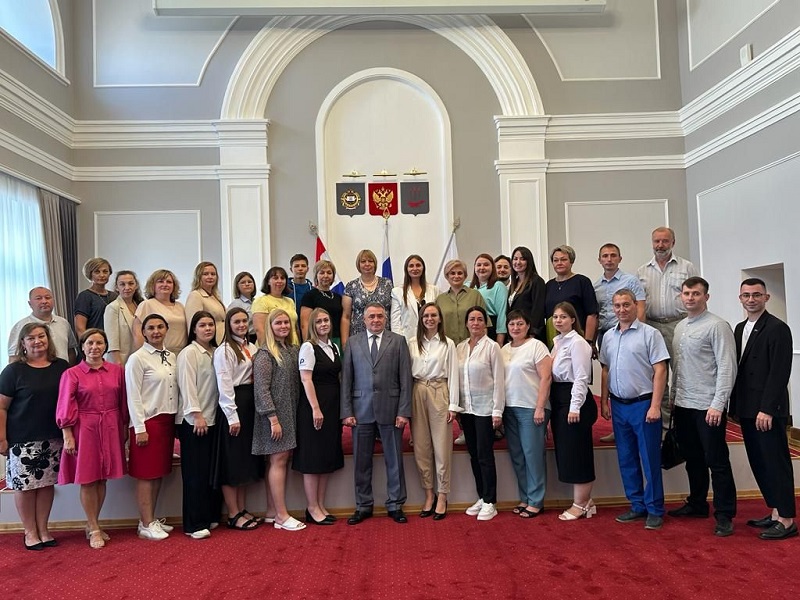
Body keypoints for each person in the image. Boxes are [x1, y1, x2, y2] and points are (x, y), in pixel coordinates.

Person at [667, 277, 737, 537]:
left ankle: (725, 514)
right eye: (686, 293)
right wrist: (673, 396)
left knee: (716, 461)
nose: (690, 298)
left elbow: (727, 367)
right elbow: (678, 367)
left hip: (708, 406)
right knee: (693, 459)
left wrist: (718, 404)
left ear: (706, 297)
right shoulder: (680, 327)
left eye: (696, 293)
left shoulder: (717, 326)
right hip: (683, 404)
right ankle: (697, 503)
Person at [730, 278, 796, 540]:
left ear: (766, 298)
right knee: (759, 462)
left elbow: (779, 373)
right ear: (740, 298)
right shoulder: (740, 328)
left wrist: (767, 409)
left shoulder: (778, 328)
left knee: (775, 462)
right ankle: (776, 512)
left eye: (756, 295)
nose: (751, 299)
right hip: (747, 408)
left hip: (767, 410)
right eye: (746, 295)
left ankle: (787, 519)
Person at [599, 290, 669, 531]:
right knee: (626, 458)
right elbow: (605, 369)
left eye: (626, 305)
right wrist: (604, 401)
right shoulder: (608, 336)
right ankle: (637, 505)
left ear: (635, 306)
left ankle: (655, 509)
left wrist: (656, 406)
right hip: (619, 405)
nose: (622, 309)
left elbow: (660, 370)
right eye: (617, 305)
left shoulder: (650, 334)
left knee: (650, 459)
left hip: (644, 404)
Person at [341, 303, 412, 525]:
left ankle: (395, 504)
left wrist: (403, 411)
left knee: (394, 460)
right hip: (360, 411)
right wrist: (347, 411)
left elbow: (406, 379)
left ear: (386, 318)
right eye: (371, 316)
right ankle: (363, 505)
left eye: (380, 316)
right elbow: (347, 379)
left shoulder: (398, 341)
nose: (375, 320)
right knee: (361, 462)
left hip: (391, 410)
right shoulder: (353, 342)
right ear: (363, 320)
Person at [0, 324, 69, 550]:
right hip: (22, 440)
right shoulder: (13, 371)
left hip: (53, 437)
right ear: (23, 343)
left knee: (46, 485)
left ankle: (43, 529)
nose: (37, 341)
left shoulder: (62, 367)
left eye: (41, 336)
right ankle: (30, 532)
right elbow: (1, 407)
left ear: (48, 339)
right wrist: (2, 438)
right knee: (26, 488)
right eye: (31, 338)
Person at [57, 328, 128, 549]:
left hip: (111, 425)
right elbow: (65, 405)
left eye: (99, 343)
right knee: (88, 478)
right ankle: (94, 527)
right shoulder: (72, 374)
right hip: (85, 428)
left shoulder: (117, 371)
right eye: (90, 343)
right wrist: (68, 435)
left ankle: (92, 523)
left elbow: (123, 401)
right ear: (82, 346)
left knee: (102, 477)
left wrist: (124, 428)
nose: (95, 347)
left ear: (105, 346)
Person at [637, 227, 699, 424]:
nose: (660, 245)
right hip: (652, 326)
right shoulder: (642, 271)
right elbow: (639, 303)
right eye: (657, 241)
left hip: (679, 325)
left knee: (683, 374)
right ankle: (663, 426)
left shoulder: (687, 267)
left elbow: (697, 296)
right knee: (657, 377)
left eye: (665, 241)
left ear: (673, 242)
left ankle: (682, 425)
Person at [125, 314, 179, 541]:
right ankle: (146, 523)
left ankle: (150, 520)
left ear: (166, 329)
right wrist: (140, 428)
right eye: (150, 328)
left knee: (158, 473)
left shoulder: (171, 356)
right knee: (146, 475)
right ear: (144, 332)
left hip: (167, 421)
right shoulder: (137, 359)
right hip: (148, 422)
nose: (156, 331)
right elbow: (133, 396)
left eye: (160, 327)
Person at [212, 307, 265, 531]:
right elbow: (224, 386)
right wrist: (232, 417)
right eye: (237, 322)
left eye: (244, 321)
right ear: (228, 325)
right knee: (232, 462)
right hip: (234, 406)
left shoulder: (251, 347)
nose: (242, 325)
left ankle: (242, 509)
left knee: (243, 461)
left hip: (249, 404)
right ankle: (233, 513)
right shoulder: (225, 350)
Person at [253, 309, 305, 531]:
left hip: (289, 411)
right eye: (278, 323)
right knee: (279, 460)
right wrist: (273, 418)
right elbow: (261, 390)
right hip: (274, 415)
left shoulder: (292, 350)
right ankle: (282, 516)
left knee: (276, 460)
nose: (283, 326)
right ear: (270, 327)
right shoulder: (265, 354)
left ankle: (271, 511)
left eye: (286, 322)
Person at [293, 308, 344, 525]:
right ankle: (312, 507)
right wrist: (315, 408)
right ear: (312, 325)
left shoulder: (333, 346)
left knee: (326, 457)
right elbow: (306, 379)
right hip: (314, 408)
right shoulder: (308, 347)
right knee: (313, 458)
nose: (323, 324)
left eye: (326, 320)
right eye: (319, 321)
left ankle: (321, 505)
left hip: (332, 408)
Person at [408, 303, 459, 521]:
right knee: (421, 447)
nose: (429, 319)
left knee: (441, 447)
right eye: (425, 315)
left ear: (439, 319)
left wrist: (453, 405)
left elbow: (454, 374)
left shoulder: (448, 343)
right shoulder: (412, 343)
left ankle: (443, 495)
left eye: (433, 315)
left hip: (440, 390)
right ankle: (429, 493)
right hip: (418, 390)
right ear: (421, 319)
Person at [593, 243, 646, 443]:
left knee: (629, 379)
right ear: (599, 260)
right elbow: (596, 315)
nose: (609, 259)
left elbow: (640, 308)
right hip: (606, 336)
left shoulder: (630, 281)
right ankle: (618, 429)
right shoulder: (596, 286)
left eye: (613, 255)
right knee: (612, 379)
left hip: (629, 333)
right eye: (605, 256)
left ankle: (642, 426)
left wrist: (637, 334)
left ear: (620, 258)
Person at [176, 311, 223, 540]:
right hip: (195, 421)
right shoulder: (189, 353)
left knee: (209, 473)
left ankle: (209, 515)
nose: (207, 329)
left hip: (214, 419)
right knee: (195, 475)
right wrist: (196, 415)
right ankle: (193, 524)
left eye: (210, 325)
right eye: (202, 325)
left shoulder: (215, 352)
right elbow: (187, 387)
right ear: (193, 329)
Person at [550, 302, 598, 521]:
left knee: (578, 453)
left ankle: (580, 504)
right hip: (560, 399)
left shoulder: (578, 343)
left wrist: (575, 406)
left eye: (563, 317)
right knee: (567, 452)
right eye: (555, 317)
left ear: (572, 319)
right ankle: (587, 501)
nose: (558, 320)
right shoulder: (558, 341)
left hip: (574, 401)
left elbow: (581, 377)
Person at [502, 309, 552, 519]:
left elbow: (546, 378)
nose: (516, 328)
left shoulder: (536, 346)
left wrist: (540, 407)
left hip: (532, 408)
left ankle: (536, 500)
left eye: (520, 323)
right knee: (518, 455)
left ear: (528, 325)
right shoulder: (504, 349)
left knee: (533, 455)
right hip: (510, 408)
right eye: (512, 324)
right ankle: (525, 497)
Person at [457, 306, 504, 521]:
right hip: (467, 409)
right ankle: (482, 496)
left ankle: (491, 501)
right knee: (474, 454)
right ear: (466, 323)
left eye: (479, 319)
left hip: (485, 409)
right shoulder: (460, 347)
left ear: (485, 323)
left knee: (485, 455)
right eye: (471, 319)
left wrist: (497, 410)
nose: (475, 323)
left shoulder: (492, 347)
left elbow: (499, 380)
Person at [7, 287, 77, 363]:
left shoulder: (63, 323)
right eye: (38, 298)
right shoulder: (20, 326)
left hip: (63, 369)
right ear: (30, 304)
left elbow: (71, 351)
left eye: (48, 298)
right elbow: (14, 356)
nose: (44, 301)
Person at [545, 245, 598, 346]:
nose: (559, 263)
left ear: (571, 261)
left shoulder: (582, 281)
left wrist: (588, 341)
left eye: (563, 259)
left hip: (578, 338)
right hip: (554, 339)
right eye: (556, 260)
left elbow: (592, 314)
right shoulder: (549, 285)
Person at [342, 249, 393, 346]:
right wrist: (345, 343)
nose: (367, 264)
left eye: (370, 261)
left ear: (375, 264)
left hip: (384, 336)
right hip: (358, 338)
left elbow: (393, 312)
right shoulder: (351, 286)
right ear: (358, 264)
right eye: (363, 261)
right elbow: (346, 317)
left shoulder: (387, 284)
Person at [132, 269, 188, 355]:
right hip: (157, 354)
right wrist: (145, 356)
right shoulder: (146, 305)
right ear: (152, 285)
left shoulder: (180, 306)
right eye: (160, 281)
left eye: (169, 282)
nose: (165, 284)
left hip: (182, 353)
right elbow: (138, 334)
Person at [435, 259, 487, 346]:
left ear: (465, 276)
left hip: (471, 346)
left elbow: (484, 325)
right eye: (452, 273)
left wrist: (482, 346)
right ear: (447, 276)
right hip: (447, 346)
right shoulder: (440, 299)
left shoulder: (475, 295)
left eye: (460, 273)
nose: (456, 276)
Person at [391, 254, 439, 341]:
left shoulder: (434, 290)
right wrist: (400, 342)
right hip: (407, 339)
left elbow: (437, 316)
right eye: (411, 266)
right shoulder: (397, 292)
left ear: (423, 268)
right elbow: (395, 323)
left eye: (418, 265)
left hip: (430, 338)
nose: (415, 268)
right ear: (406, 269)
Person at [300, 260, 344, 348]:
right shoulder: (309, 296)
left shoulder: (338, 297)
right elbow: (305, 323)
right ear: (316, 275)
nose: (325, 276)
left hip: (336, 340)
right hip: (317, 340)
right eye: (322, 273)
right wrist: (308, 344)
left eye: (329, 273)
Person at [507, 246, 546, 343]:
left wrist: (531, 333)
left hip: (530, 335)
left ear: (529, 262)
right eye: (515, 259)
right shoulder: (514, 283)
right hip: (516, 333)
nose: (518, 262)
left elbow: (538, 310)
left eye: (522, 259)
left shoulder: (537, 281)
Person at [253, 266, 300, 347]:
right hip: (272, 346)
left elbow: (295, 327)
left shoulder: (290, 301)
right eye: (275, 278)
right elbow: (260, 330)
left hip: (293, 345)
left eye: (282, 278)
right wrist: (268, 350)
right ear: (268, 281)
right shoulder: (261, 301)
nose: (279, 281)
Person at [104, 270, 143, 365]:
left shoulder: (141, 305)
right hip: (121, 360)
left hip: (139, 359)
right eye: (122, 284)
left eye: (131, 283)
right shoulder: (113, 307)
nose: (127, 287)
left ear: (136, 286)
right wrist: (118, 364)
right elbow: (112, 343)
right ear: (117, 287)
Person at [184, 261, 227, 345]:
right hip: (207, 344)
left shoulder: (215, 296)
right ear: (198, 277)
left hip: (221, 343)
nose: (210, 277)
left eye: (213, 274)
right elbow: (193, 325)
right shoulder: (195, 295)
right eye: (206, 274)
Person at [74, 258, 117, 337]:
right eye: (97, 272)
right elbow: (80, 328)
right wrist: (86, 342)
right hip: (94, 342)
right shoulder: (85, 296)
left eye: (105, 271)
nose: (102, 275)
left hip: (113, 341)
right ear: (90, 274)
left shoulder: (115, 296)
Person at [470, 253, 508, 345]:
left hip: (491, 327)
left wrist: (500, 341)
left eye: (486, 265)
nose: (482, 268)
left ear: (492, 268)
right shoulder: (468, 286)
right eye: (479, 265)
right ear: (474, 267)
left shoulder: (499, 286)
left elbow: (502, 315)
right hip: (471, 328)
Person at [228, 271, 257, 343]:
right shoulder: (235, 304)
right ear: (237, 286)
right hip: (245, 338)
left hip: (258, 337)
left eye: (249, 282)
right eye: (243, 282)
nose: (247, 284)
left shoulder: (257, 302)